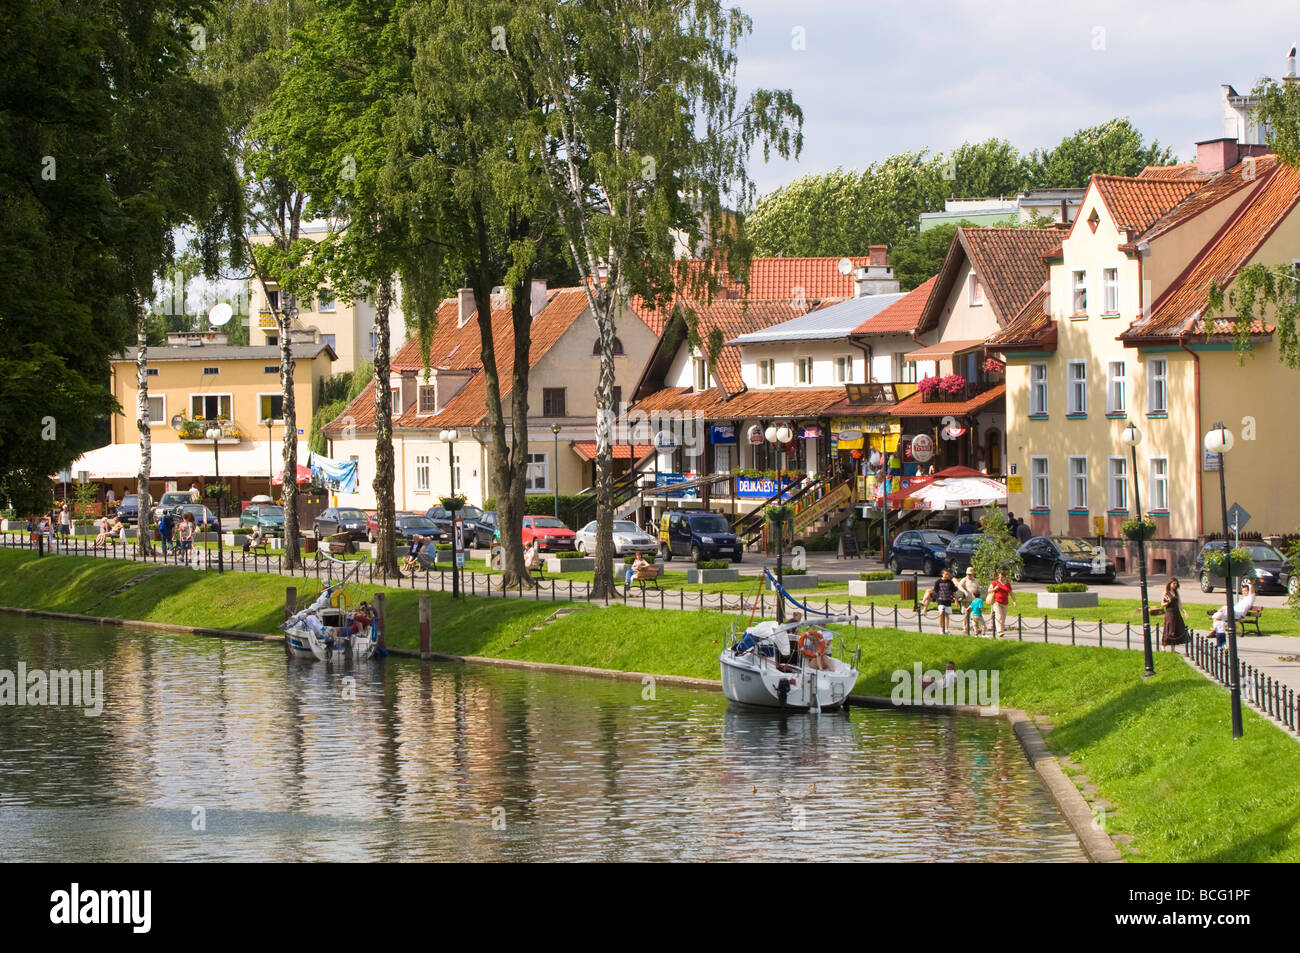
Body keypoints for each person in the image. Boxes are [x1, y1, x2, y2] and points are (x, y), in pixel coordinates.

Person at [1160, 577, 1189, 648]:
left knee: (1176, 629)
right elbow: (1162, 605)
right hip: (1169, 613)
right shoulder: (1166, 592)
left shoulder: (1176, 592)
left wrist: (1184, 612)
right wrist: (1168, 602)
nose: (1175, 585)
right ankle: (1163, 646)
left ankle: (1173, 649)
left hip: (1176, 612)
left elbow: (1179, 604)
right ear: (1170, 584)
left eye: (1176, 583)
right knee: (1169, 629)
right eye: (1174, 583)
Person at [988, 569, 1018, 639]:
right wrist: (994, 589)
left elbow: (1011, 593)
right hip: (996, 602)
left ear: (1005, 577)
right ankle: (999, 631)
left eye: (1002, 577)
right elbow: (988, 590)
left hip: (1005, 603)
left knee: (1003, 618)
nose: (1000, 578)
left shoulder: (1007, 584)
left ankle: (1000, 630)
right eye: (999, 577)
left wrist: (1014, 601)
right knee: (999, 616)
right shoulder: (995, 582)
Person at [956, 567, 982, 635]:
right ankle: (965, 627)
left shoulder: (975, 580)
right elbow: (959, 586)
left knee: (975, 615)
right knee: (966, 614)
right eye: (968, 574)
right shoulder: (964, 580)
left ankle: (976, 628)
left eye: (970, 574)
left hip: (974, 601)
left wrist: (979, 598)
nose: (969, 575)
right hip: (966, 600)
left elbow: (978, 589)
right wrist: (964, 591)